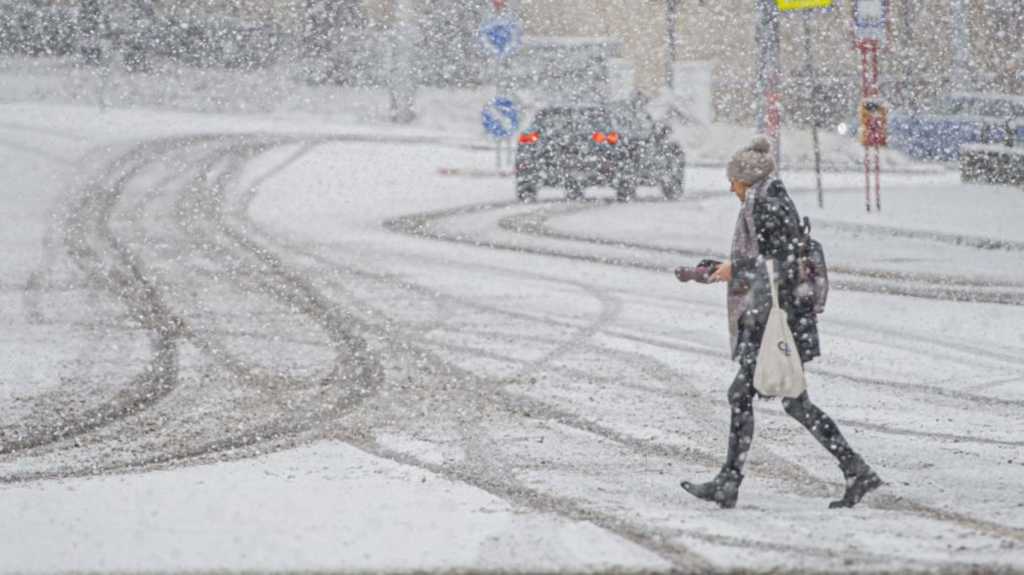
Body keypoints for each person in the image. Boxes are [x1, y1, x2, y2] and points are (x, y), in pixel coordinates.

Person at [680, 136, 881, 509]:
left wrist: (735, 268)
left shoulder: (769, 205)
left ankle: (731, 481)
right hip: (779, 317)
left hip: (779, 321)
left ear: (747, 179)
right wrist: (719, 268)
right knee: (791, 402)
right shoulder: (767, 200)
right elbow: (768, 260)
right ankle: (855, 470)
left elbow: (782, 264)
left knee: (748, 396)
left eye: (733, 181)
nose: (730, 188)